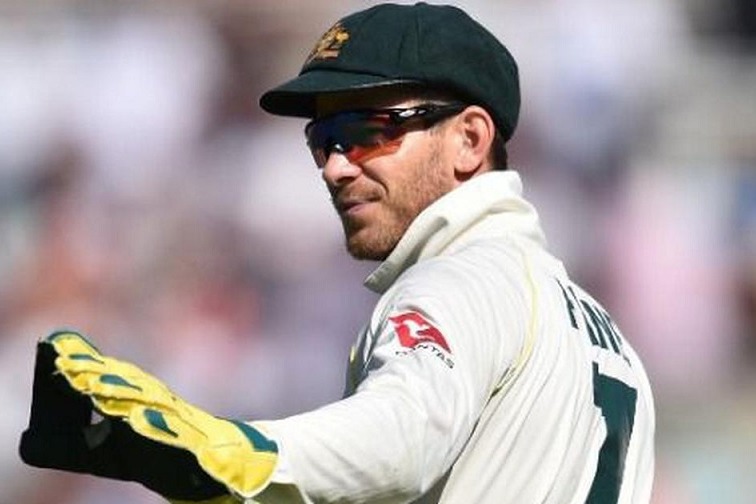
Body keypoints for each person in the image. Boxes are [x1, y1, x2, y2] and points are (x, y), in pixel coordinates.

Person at [19, 3, 655, 503]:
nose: (335, 168)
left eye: (368, 132)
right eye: (323, 140)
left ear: (469, 139)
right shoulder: (610, 342)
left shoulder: (455, 283)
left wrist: (228, 450)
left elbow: (403, 437)